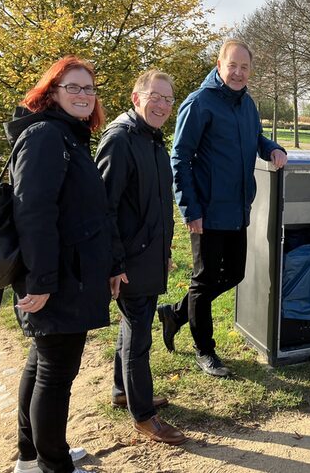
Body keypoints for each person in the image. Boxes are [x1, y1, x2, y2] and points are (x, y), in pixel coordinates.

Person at [6, 56, 115, 473]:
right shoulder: (46, 137)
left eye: (89, 88)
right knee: (56, 372)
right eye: (74, 87)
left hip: (65, 273)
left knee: (42, 362)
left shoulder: (67, 136)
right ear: (52, 92)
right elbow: (32, 212)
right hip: (55, 277)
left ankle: (31, 456)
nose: (84, 95)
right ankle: (53, 465)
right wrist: (42, 280)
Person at [158, 39, 288, 378]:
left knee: (234, 274)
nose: (239, 73)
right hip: (207, 210)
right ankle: (206, 350)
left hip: (238, 207)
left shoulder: (247, 104)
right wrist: (190, 209)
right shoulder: (199, 103)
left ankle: (175, 313)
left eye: (245, 67)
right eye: (233, 66)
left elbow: (256, 138)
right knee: (203, 282)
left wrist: (272, 147)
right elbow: (180, 158)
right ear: (220, 65)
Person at [95, 70, 186, 445]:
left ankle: (122, 391)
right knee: (138, 338)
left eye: (168, 99)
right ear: (136, 98)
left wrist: (164, 250)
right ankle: (144, 416)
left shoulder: (152, 140)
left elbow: (158, 204)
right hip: (129, 261)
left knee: (133, 328)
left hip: (150, 255)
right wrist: (115, 264)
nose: (163, 105)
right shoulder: (120, 140)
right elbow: (104, 209)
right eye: (155, 96)